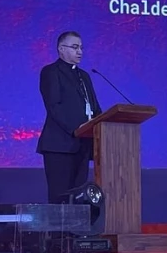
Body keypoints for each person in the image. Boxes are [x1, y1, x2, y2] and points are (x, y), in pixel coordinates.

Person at [37, 30, 103, 203]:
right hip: (60, 145)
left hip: (83, 145)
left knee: (78, 198)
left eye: (81, 47)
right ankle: (59, 223)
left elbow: (95, 108)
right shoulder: (51, 71)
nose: (79, 51)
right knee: (60, 197)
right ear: (61, 49)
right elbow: (54, 106)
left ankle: (76, 223)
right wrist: (76, 129)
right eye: (75, 47)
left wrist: (103, 125)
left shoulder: (85, 76)